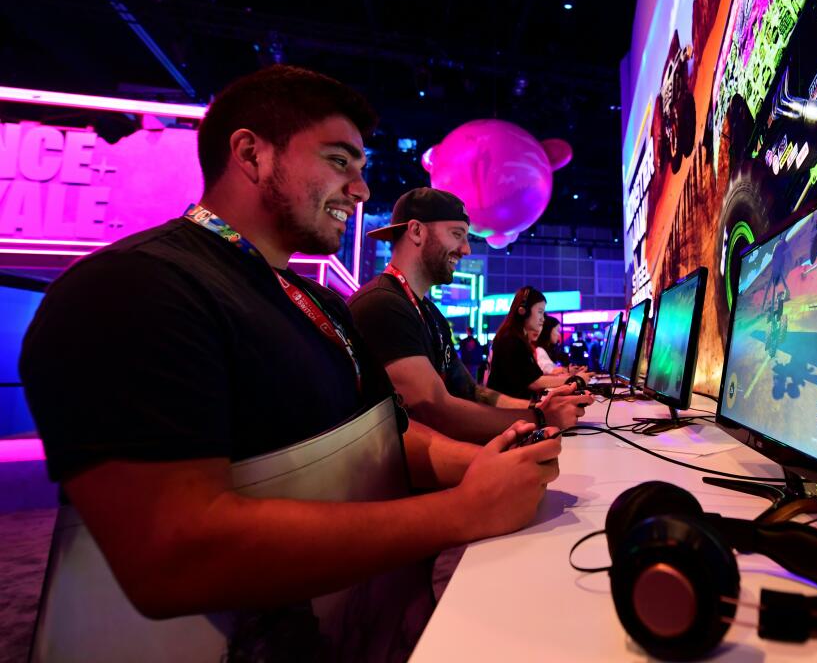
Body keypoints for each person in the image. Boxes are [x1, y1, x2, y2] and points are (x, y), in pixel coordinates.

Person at [19, 65, 559, 659]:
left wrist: (503, 456)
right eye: (338, 160)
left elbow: (390, 439)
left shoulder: (319, 300)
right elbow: (176, 554)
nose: (361, 190)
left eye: (360, 167)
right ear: (251, 153)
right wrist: (461, 511)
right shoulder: (133, 289)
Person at [350, 189, 593, 444]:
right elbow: (436, 412)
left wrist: (537, 406)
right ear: (416, 231)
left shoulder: (430, 314)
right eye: (457, 234)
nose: (466, 249)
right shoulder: (383, 305)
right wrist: (539, 418)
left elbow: (472, 393)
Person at [487, 286, 590, 399]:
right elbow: (535, 382)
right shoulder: (511, 340)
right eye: (540, 312)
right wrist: (576, 379)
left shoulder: (514, 337)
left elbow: (536, 377)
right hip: (509, 412)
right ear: (523, 311)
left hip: (513, 406)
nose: (543, 319)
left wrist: (570, 376)